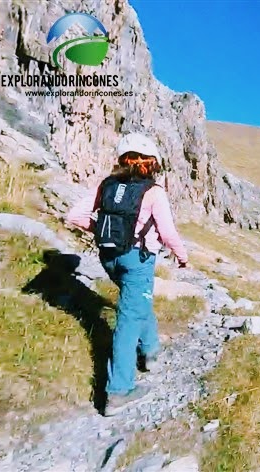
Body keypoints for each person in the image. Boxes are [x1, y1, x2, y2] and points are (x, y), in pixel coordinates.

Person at [67, 132, 189, 417]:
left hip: (109, 258)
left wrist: (101, 232)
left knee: (137, 303)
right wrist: (182, 256)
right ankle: (119, 391)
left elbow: (74, 215)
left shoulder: (107, 186)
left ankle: (151, 351)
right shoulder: (154, 192)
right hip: (137, 261)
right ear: (151, 163)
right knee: (128, 319)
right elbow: (168, 232)